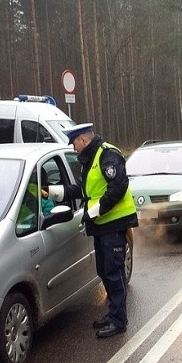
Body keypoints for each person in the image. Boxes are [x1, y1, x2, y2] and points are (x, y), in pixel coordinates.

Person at [47, 123, 138, 338]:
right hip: (101, 225)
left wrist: (94, 212)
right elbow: (84, 190)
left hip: (114, 224)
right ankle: (113, 313)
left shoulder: (107, 155)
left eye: (74, 143)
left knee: (114, 274)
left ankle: (119, 320)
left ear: (83, 140)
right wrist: (51, 192)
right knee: (104, 271)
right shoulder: (91, 160)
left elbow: (118, 187)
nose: (73, 148)